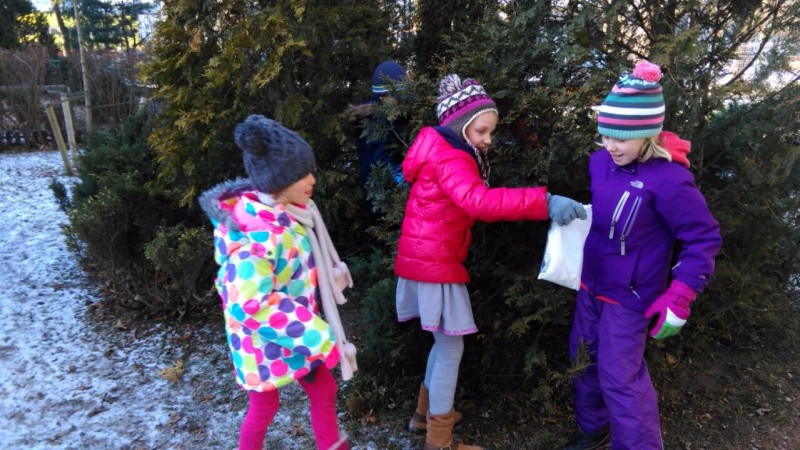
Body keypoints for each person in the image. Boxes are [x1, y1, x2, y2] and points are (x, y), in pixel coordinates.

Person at [394, 74, 588, 450]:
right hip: (436, 263)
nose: (487, 140)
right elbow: (479, 202)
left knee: (442, 343)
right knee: (451, 347)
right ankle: (439, 440)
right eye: (481, 130)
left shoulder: (436, 149)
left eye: (490, 132)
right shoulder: (452, 156)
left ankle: (425, 416)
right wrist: (545, 202)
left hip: (423, 259)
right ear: (460, 125)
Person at [563, 61, 722, 450]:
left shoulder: (670, 180)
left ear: (645, 133)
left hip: (631, 296)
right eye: (605, 135)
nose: (610, 146)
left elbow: (703, 237)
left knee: (619, 376)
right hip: (591, 284)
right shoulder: (600, 163)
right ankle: (594, 430)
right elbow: (608, 213)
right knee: (582, 358)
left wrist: (680, 295)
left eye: (620, 138)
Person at [199, 115, 356, 450]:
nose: (312, 179)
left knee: (324, 389)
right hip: (261, 345)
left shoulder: (290, 215)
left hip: (295, 333)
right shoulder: (253, 241)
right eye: (302, 174)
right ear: (279, 181)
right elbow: (250, 306)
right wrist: (317, 337)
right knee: (265, 406)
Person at [346, 60, 408, 190]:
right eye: (398, 96)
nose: (402, 99)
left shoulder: (394, 111)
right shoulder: (376, 124)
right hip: (381, 190)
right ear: (383, 97)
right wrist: (405, 183)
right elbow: (384, 162)